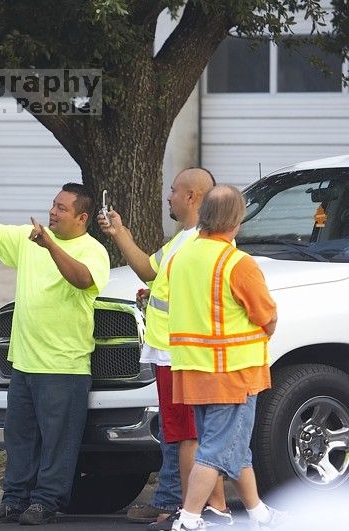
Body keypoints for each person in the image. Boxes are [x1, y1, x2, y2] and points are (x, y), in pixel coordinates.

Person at [0, 183, 110, 526]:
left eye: (62, 208)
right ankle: (14, 500)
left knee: (57, 442)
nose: (53, 212)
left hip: (64, 365)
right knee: (20, 439)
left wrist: (51, 246)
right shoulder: (31, 238)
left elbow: (82, 280)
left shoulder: (93, 250)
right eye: (53, 205)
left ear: (82, 217)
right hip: (24, 363)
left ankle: (46, 501)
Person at [97, 169, 230, 530]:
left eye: (173, 190)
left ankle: (187, 511)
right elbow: (147, 270)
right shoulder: (180, 240)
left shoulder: (201, 241)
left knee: (188, 436)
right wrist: (119, 232)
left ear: (191, 196)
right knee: (180, 434)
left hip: (181, 354)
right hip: (166, 353)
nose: (167, 196)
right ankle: (190, 506)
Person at [167, 185, 284, 531]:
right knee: (217, 451)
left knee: (233, 448)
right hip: (231, 374)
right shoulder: (237, 263)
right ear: (237, 219)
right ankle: (188, 519)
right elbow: (267, 316)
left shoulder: (181, 257)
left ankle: (259, 514)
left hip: (193, 371)